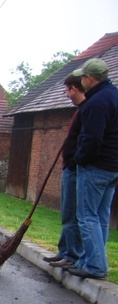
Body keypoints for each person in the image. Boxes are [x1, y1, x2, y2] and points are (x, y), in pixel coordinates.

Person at [66, 58, 118, 280]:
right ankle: (92, 260)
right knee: (100, 216)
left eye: (83, 78)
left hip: (96, 166)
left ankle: (95, 266)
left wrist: (79, 159)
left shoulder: (96, 102)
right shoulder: (114, 96)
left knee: (86, 216)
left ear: (89, 78)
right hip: (113, 168)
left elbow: (93, 138)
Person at [43, 74, 86, 269]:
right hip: (70, 166)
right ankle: (64, 251)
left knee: (72, 212)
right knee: (66, 212)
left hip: (76, 168)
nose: (66, 95)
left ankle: (72, 254)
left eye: (66, 90)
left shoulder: (87, 109)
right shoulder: (80, 110)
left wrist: (73, 161)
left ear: (73, 89)